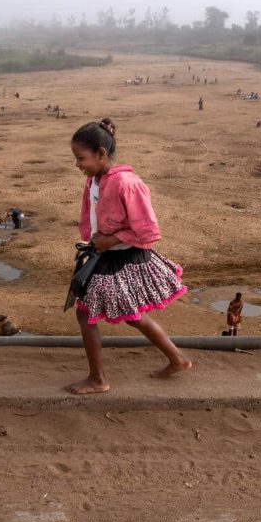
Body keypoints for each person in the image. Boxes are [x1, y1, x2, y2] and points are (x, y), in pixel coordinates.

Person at [66, 118, 191, 395]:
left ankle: (98, 379)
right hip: (107, 256)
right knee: (132, 316)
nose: (78, 164)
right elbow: (92, 214)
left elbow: (148, 229)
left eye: (80, 158)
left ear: (100, 153)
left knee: (86, 315)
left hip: (123, 258)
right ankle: (178, 359)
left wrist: (111, 239)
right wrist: (94, 240)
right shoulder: (94, 180)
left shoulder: (126, 182)